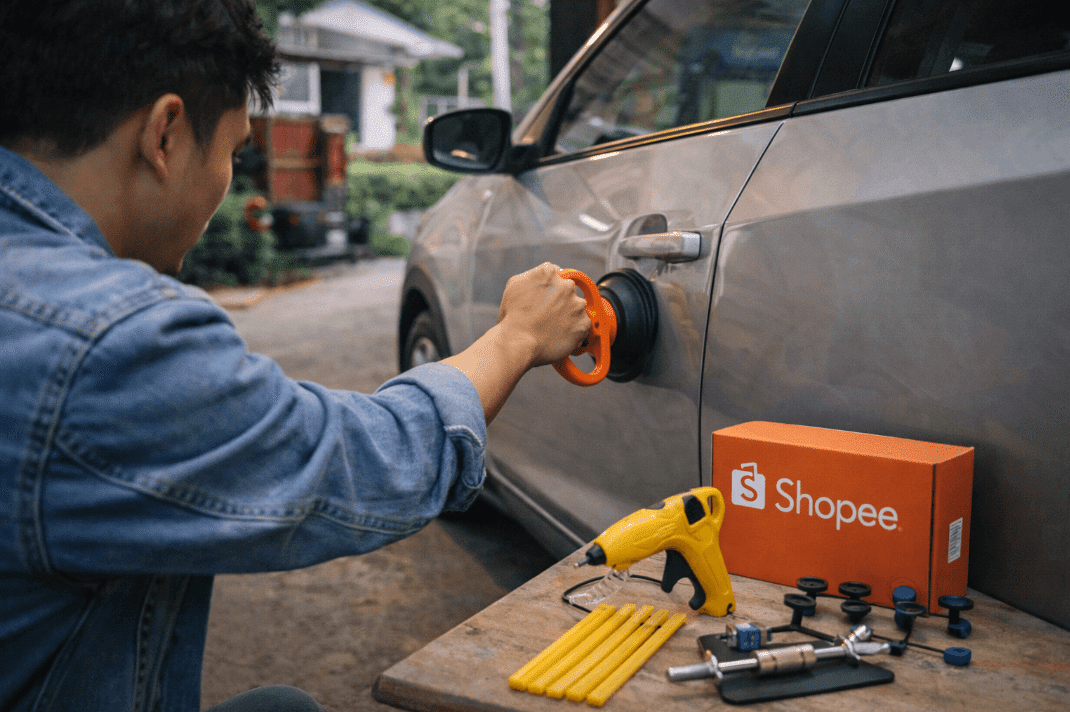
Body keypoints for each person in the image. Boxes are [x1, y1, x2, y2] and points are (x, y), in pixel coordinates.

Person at [0, 1, 591, 710]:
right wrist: (516, 337)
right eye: (234, 151)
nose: (227, 177)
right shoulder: (102, 340)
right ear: (165, 135)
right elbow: (359, 462)